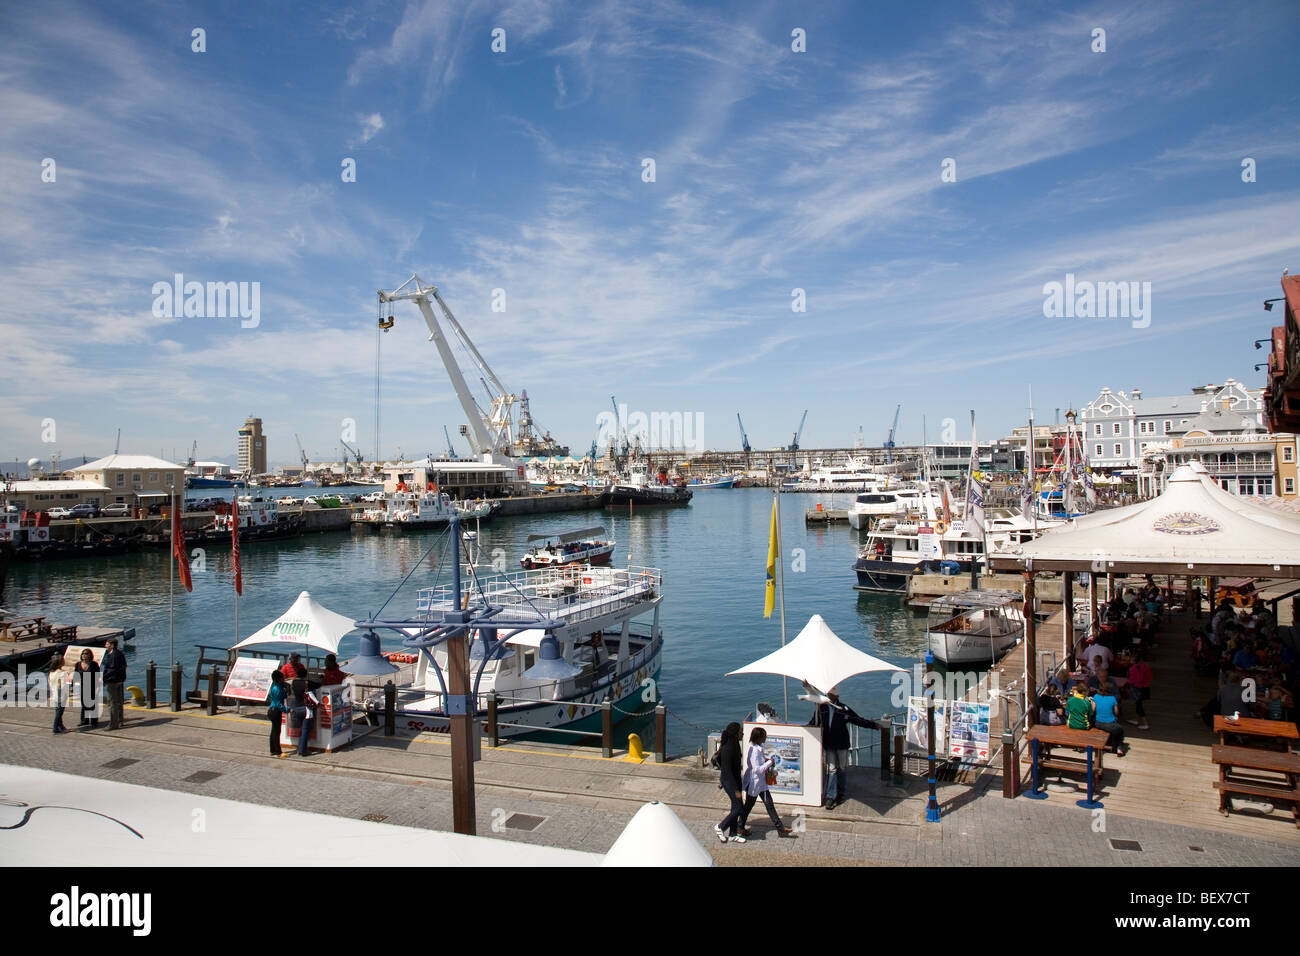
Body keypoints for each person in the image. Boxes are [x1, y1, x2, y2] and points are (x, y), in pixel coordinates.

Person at [808, 684, 880, 809]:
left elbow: (857, 720)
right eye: (828, 694)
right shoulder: (821, 708)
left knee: (841, 768)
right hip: (829, 744)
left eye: (831, 695)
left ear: (836, 696)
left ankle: (840, 793)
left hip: (841, 744)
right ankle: (831, 796)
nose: (829, 696)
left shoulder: (843, 709)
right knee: (832, 769)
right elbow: (813, 722)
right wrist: (803, 730)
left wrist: (873, 725)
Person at [739, 727, 795, 838]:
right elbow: (757, 769)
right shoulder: (755, 750)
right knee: (749, 806)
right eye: (764, 735)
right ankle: (740, 826)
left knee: (769, 805)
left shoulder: (757, 748)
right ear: (759, 737)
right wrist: (769, 762)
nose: (766, 737)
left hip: (760, 783)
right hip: (754, 783)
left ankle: (780, 828)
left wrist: (765, 760)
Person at [712, 722, 747, 844]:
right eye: (740, 732)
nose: (742, 733)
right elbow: (727, 771)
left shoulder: (735, 744)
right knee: (738, 808)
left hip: (736, 780)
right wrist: (736, 790)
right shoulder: (728, 748)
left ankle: (732, 834)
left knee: (735, 807)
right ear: (735, 733)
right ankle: (721, 827)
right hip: (729, 782)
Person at [288, 672, 318, 756]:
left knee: (301, 730)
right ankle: (302, 750)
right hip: (306, 710)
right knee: (305, 730)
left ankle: (299, 748)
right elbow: (317, 684)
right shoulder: (307, 685)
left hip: (297, 708)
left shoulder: (294, 683)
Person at [1092, 681, 1126, 754]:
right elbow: (1116, 712)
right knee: (1120, 730)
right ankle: (1119, 747)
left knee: (1111, 729)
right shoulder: (1112, 698)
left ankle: (1108, 744)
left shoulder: (1096, 697)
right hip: (1110, 723)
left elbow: (1092, 710)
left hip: (1098, 723)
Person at [101, 637, 127, 730]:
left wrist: (104, 678)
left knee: (112, 702)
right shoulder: (120, 653)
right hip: (120, 680)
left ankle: (113, 723)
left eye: (107, 644)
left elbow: (111, 669)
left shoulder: (112, 655)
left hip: (112, 681)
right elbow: (124, 666)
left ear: (112, 645)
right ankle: (120, 721)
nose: (105, 646)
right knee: (119, 701)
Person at [1125, 650, 1152, 730]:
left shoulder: (1133, 669)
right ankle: (1136, 720)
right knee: (1138, 704)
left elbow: (1132, 680)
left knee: (1139, 706)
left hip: (1137, 689)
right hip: (1145, 688)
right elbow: (1150, 676)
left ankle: (1145, 723)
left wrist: (1128, 682)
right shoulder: (1145, 666)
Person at [74, 649, 100, 728]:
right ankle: (84, 720)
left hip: (92, 685)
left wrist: (98, 688)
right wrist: (73, 686)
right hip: (82, 686)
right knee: (84, 704)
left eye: (86, 653)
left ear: (90, 655)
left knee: (92, 704)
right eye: (83, 654)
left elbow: (98, 676)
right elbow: (75, 676)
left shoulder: (94, 664)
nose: (84, 655)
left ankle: (93, 721)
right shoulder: (78, 664)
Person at [267, 670, 289, 756]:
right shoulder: (276, 689)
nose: (284, 678)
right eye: (282, 677)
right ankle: (278, 751)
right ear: (279, 679)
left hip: (273, 710)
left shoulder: (276, 685)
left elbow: (283, 688)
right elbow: (278, 704)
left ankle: (272, 750)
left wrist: (286, 686)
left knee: (274, 731)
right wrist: (287, 710)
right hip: (275, 711)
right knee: (276, 732)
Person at [49, 655, 71, 734]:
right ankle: (55, 728)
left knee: (58, 711)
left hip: (54, 694)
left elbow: (51, 683)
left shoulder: (52, 673)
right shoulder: (62, 674)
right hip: (61, 695)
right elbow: (63, 686)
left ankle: (61, 726)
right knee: (59, 713)